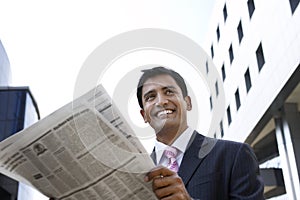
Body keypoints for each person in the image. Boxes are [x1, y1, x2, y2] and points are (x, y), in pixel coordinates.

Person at [137, 66, 264, 200]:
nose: (161, 101)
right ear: (144, 115)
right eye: (151, 97)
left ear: (188, 103)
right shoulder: (140, 173)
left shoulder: (234, 154)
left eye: (169, 92)